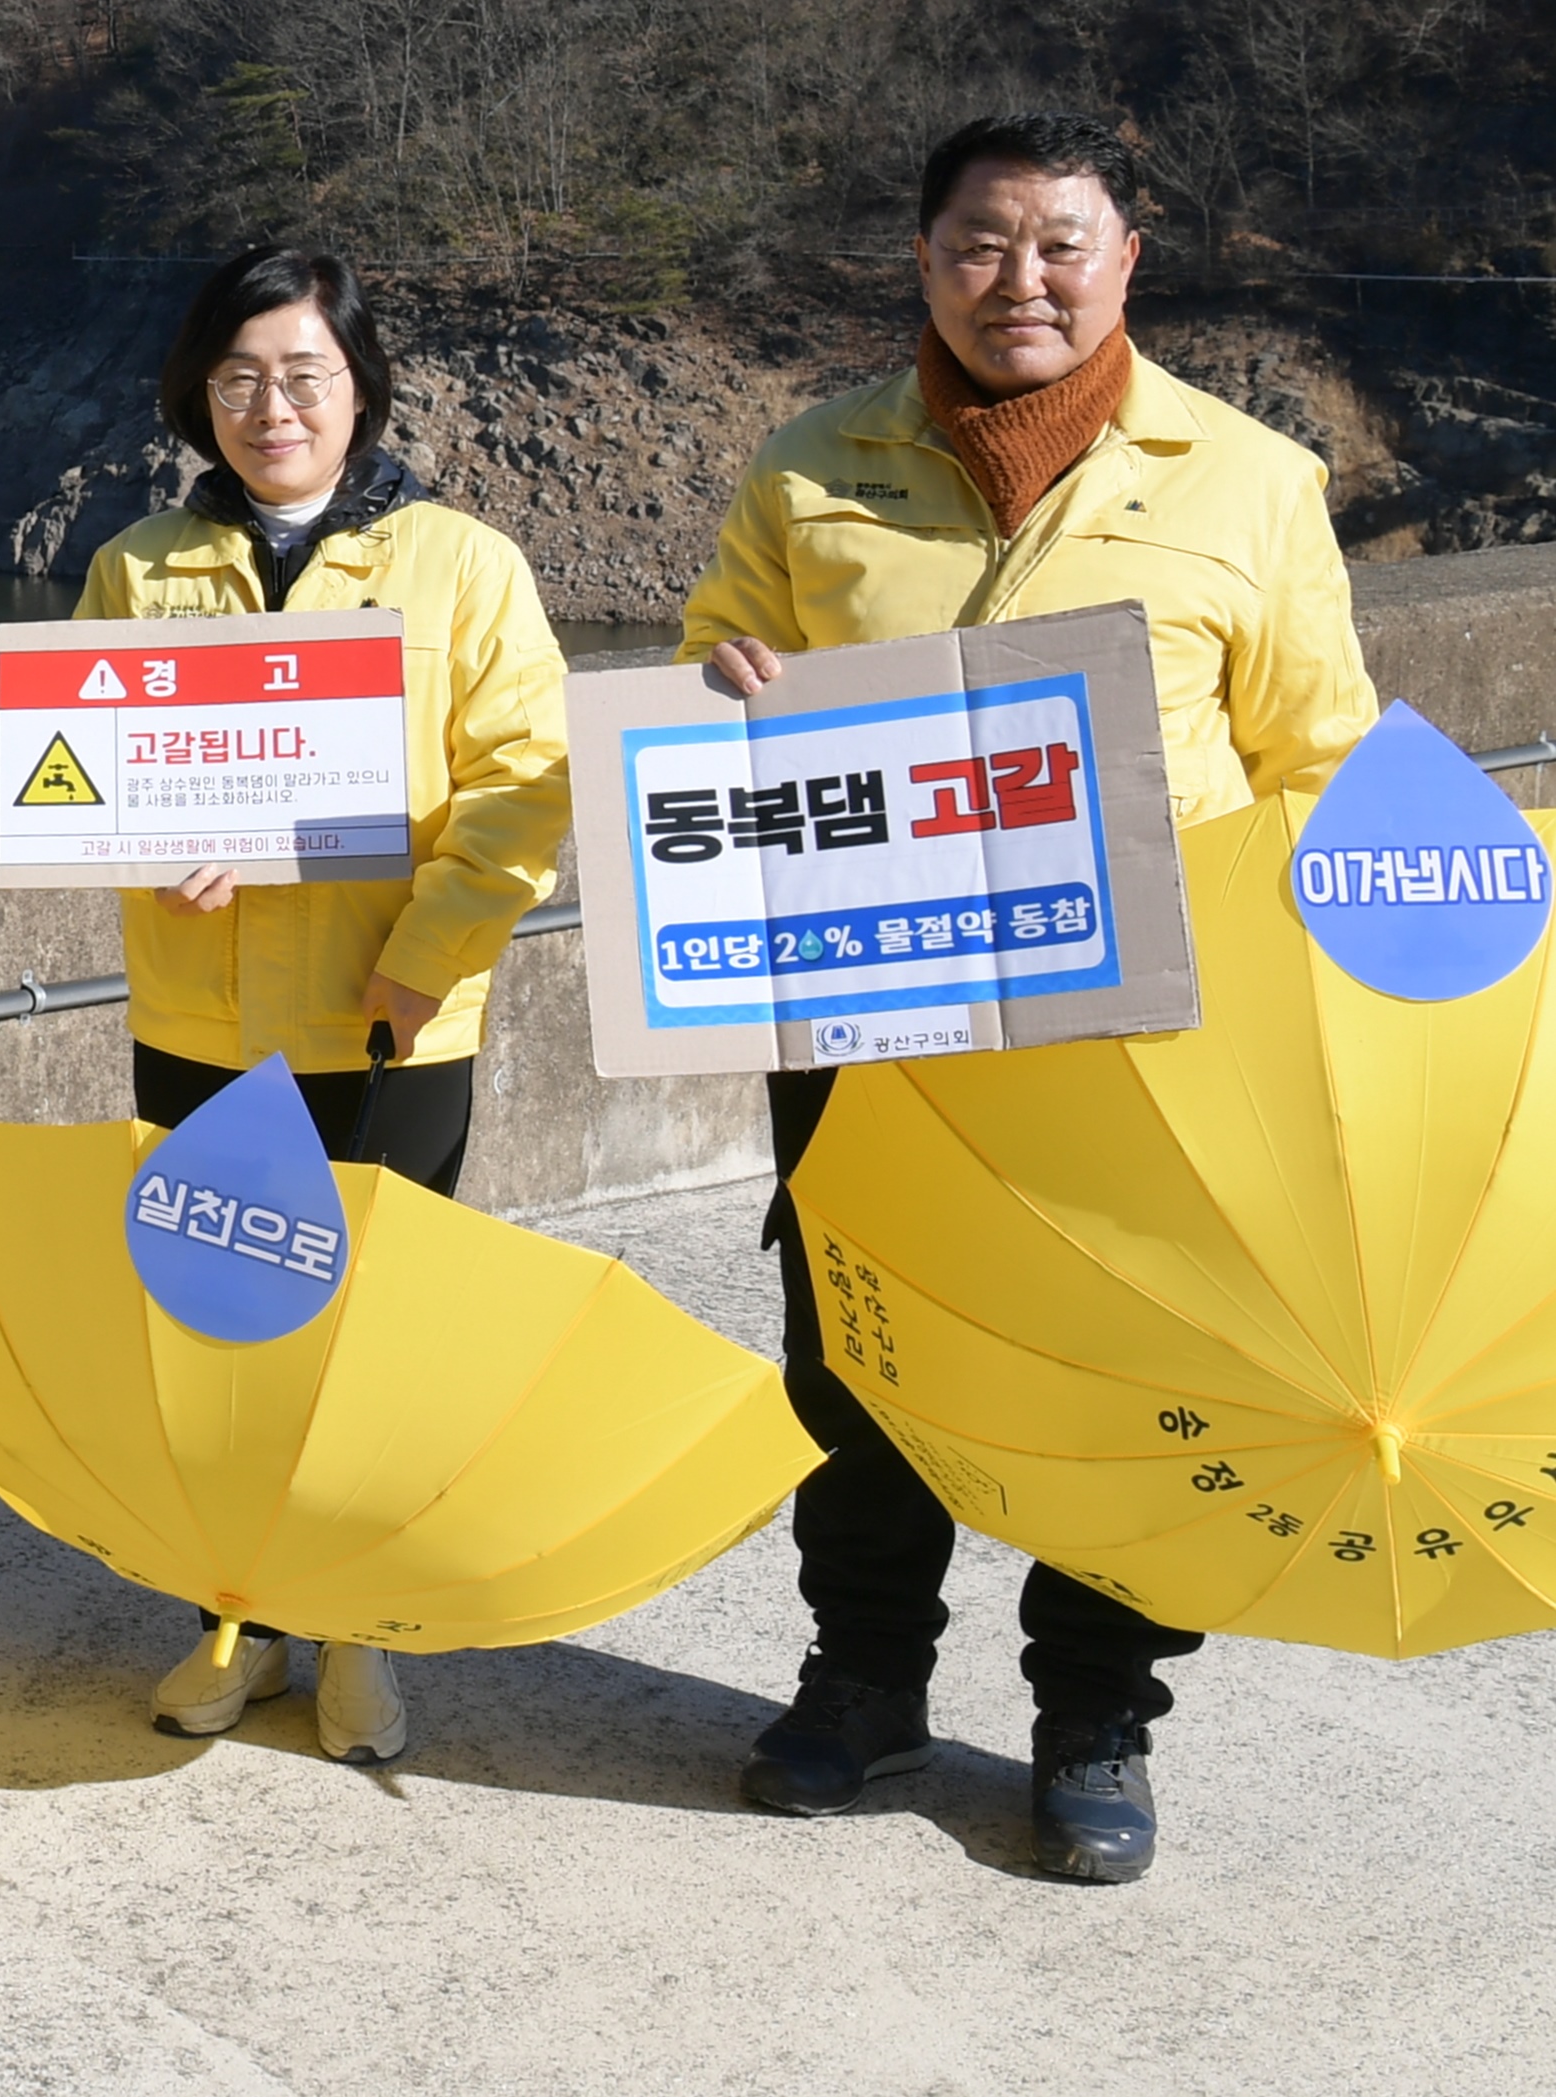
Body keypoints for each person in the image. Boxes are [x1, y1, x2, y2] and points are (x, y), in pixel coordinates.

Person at [685, 112, 1375, 1882]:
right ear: (923, 259)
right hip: (871, 1014)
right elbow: (703, 681)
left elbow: (1321, 769)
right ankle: (863, 1676)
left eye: (1061, 242)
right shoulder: (809, 466)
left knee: (1127, 1367)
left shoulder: (1248, 481)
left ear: (1125, 258)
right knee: (858, 1354)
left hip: (1140, 1035)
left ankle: (1093, 1715)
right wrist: (715, 690)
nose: (1021, 279)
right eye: (981, 243)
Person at [72, 243, 570, 1766]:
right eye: (237, 378)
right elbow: (80, 777)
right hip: (202, 1017)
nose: (271, 408)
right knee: (220, 1334)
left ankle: (360, 1625)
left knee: (373, 1340)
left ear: (360, 390)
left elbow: (521, 790)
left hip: (390, 1017)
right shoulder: (137, 569)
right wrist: (148, 847)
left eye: (304, 375)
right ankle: (240, 1616)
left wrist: (429, 949)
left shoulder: (463, 566)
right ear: (196, 396)